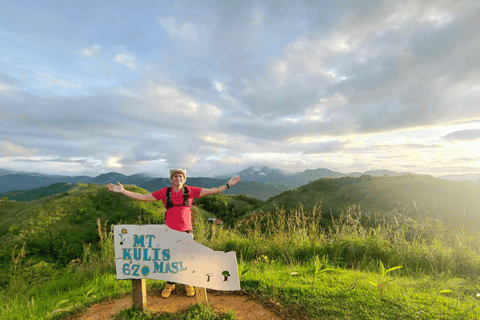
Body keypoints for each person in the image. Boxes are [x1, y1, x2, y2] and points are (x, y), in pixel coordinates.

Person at [108, 169, 240, 298]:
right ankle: (170, 284)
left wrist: (228, 185)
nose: (178, 178)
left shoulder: (190, 191)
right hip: (169, 232)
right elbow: (143, 197)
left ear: (185, 179)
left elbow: (211, 191)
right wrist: (123, 191)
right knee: (170, 259)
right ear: (171, 179)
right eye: (175, 176)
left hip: (186, 232)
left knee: (187, 258)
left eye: (181, 176)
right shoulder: (165, 192)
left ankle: (187, 283)